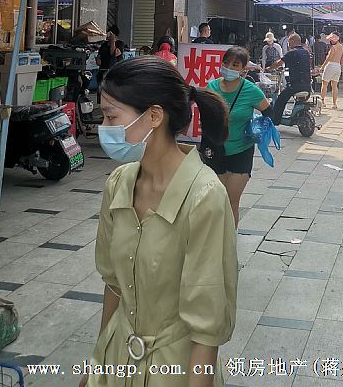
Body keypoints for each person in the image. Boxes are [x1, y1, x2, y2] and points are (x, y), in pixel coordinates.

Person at [89, 57, 236, 387]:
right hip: (117, 359)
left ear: (154, 116)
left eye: (111, 116)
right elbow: (113, 285)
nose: (104, 127)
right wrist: (96, 365)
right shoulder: (118, 184)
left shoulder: (204, 196)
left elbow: (206, 324)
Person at [206, 47, 272, 226]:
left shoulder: (251, 90)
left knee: (231, 202)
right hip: (215, 150)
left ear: (243, 69)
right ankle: (214, 237)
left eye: (235, 64)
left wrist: (256, 130)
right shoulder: (211, 87)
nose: (229, 67)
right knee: (216, 202)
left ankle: (229, 239)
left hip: (241, 151)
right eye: (226, 63)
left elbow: (269, 114)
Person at [267, 33, 313, 123]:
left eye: (288, 42)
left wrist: (269, 68)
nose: (288, 44)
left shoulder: (292, 52)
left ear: (292, 41)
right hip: (307, 85)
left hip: (295, 86)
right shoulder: (306, 52)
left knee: (280, 100)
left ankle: (275, 120)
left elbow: (279, 63)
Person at [320, 33, 343, 109]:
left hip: (330, 65)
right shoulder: (341, 46)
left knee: (324, 84)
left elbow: (329, 58)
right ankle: (334, 104)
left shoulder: (333, 48)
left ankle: (322, 101)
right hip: (338, 66)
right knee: (334, 86)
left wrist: (322, 67)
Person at [96, 25, 124, 90]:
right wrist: (98, 59)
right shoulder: (104, 44)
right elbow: (99, 55)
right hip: (103, 70)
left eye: (110, 34)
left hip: (113, 71)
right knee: (101, 89)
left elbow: (113, 53)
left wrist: (113, 41)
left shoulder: (120, 43)